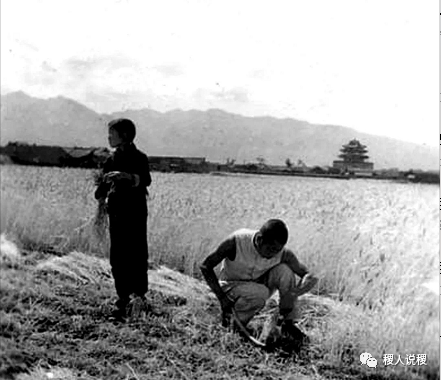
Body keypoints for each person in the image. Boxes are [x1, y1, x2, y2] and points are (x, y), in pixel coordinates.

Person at [200, 219, 318, 341]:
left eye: (277, 250)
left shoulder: (281, 253)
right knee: (260, 292)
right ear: (260, 239)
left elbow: (310, 275)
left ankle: (287, 325)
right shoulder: (236, 242)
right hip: (231, 287)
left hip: (257, 286)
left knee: (285, 271)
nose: (274, 254)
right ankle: (233, 326)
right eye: (271, 249)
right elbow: (205, 266)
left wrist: (292, 294)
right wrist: (222, 298)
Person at [95, 118, 152, 321]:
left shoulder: (140, 157)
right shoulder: (110, 159)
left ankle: (139, 297)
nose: (109, 137)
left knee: (136, 253)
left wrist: (126, 177)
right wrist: (101, 189)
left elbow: (145, 179)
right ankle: (122, 298)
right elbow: (102, 182)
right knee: (118, 255)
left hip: (135, 213)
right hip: (117, 212)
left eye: (112, 133)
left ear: (125, 136)